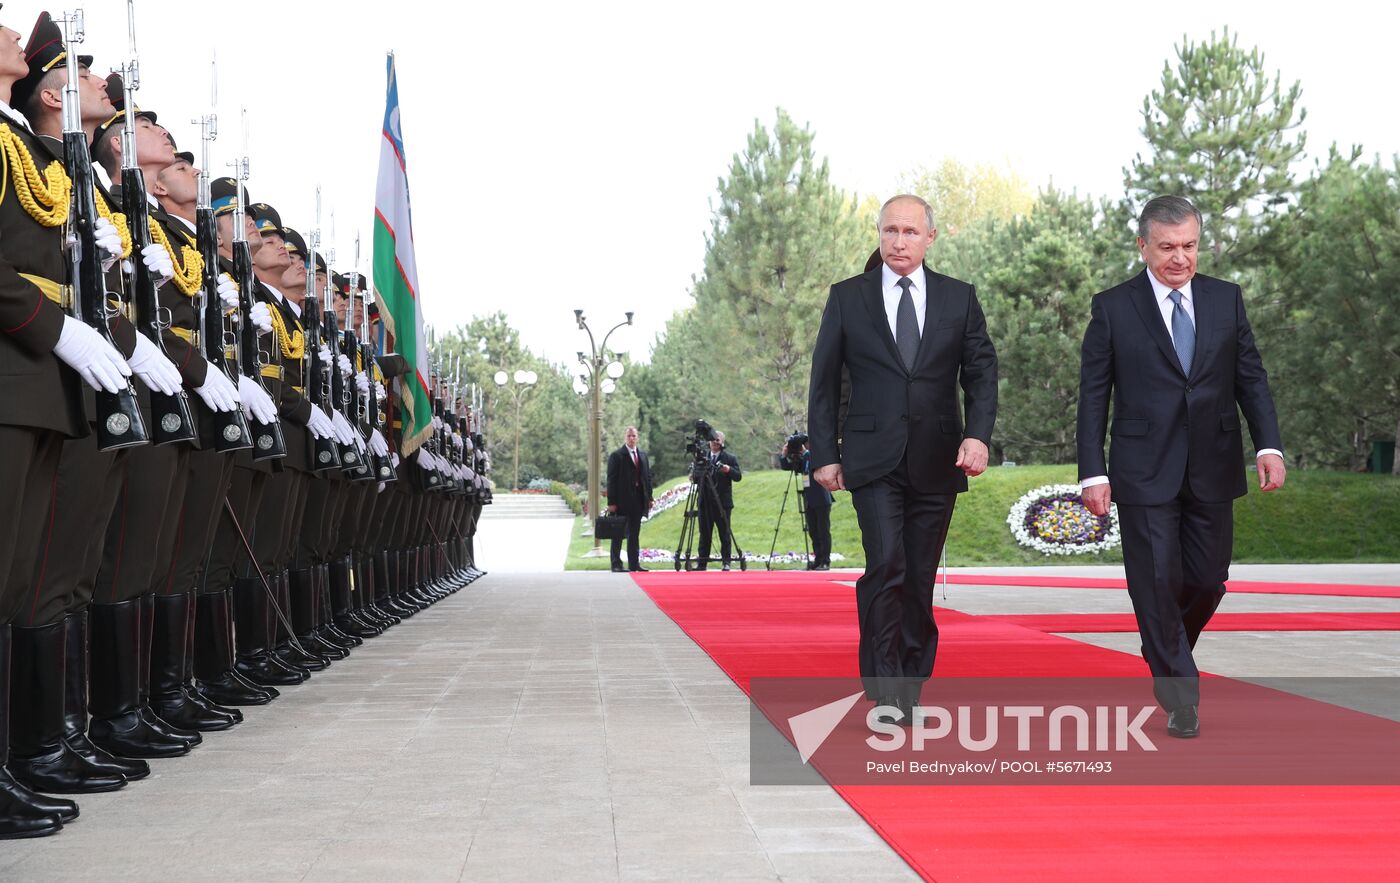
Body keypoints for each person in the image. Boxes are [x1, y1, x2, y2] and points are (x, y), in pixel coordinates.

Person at [1076, 195, 1285, 739]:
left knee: (1208, 580)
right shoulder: (1114, 307)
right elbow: (1093, 397)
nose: (1179, 258)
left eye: (1189, 246)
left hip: (1213, 465)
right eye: (1167, 247)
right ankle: (1180, 693)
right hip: (1143, 469)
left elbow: (1251, 378)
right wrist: (1091, 471)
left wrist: (1269, 445)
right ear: (1143, 245)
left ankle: (1160, 645)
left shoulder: (1226, 300)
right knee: (1156, 579)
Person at [808, 194, 998, 721]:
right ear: (878, 234)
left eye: (910, 232)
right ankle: (885, 678)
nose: (899, 241)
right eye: (890, 230)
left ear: (930, 237)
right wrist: (824, 453)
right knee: (886, 564)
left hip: (939, 458)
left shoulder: (959, 298)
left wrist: (978, 435)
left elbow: (981, 372)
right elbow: (823, 382)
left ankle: (912, 679)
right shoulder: (848, 297)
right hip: (872, 459)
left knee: (917, 573)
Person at [606, 426, 654, 572]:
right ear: (625, 438)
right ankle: (616, 564)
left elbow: (647, 478)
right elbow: (611, 480)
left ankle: (634, 564)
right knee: (619, 533)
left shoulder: (643, 455)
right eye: (629, 436)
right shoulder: (617, 456)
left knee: (634, 533)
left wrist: (649, 498)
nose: (632, 438)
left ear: (637, 437)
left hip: (638, 501)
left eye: (634, 436)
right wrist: (612, 502)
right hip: (622, 502)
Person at [695, 430, 742, 570]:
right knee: (705, 533)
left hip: (722, 502)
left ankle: (726, 561)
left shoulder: (729, 458)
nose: (715, 442)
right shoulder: (702, 458)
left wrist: (728, 470)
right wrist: (694, 476)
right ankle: (702, 562)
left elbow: (738, 476)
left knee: (724, 533)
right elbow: (697, 478)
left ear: (722, 442)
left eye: (718, 439)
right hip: (705, 502)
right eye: (713, 439)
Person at [784, 437, 832, 570]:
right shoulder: (803, 458)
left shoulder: (811, 455)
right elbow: (789, 467)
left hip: (821, 498)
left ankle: (825, 560)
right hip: (809, 499)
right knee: (813, 531)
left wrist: (804, 451)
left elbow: (812, 460)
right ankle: (818, 559)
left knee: (823, 531)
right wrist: (785, 455)